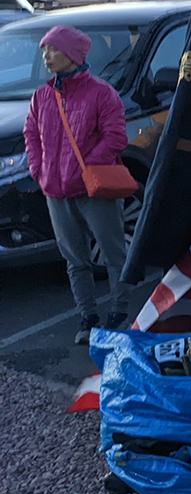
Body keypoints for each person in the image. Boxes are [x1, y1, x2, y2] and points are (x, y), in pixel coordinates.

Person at [22, 25, 135, 344]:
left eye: (53, 50)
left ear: (72, 55)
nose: (46, 56)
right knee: (75, 261)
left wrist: (86, 169)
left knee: (114, 255)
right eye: (44, 50)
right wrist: (39, 168)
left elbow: (116, 136)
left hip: (94, 190)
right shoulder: (42, 96)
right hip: (56, 191)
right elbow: (31, 134)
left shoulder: (101, 93)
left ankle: (119, 315)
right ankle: (88, 318)